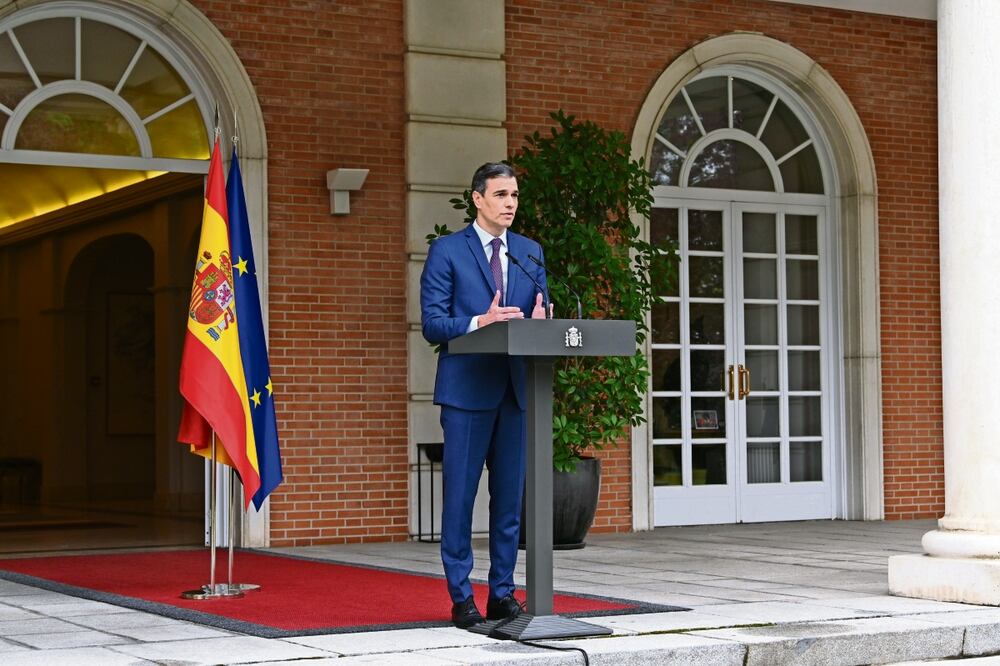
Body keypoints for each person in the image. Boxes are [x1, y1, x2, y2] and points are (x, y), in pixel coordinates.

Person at [420, 162, 549, 628]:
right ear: (477, 199)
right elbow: (433, 324)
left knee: (508, 501)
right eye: (500, 194)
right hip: (467, 391)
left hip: (515, 391)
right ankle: (461, 597)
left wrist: (540, 325)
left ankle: (502, 593)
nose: (510, 203)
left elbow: (539, 310)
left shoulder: (530, 253)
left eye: (514, 194)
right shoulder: (447, 251)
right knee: (459, 498)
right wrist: (481, 321)